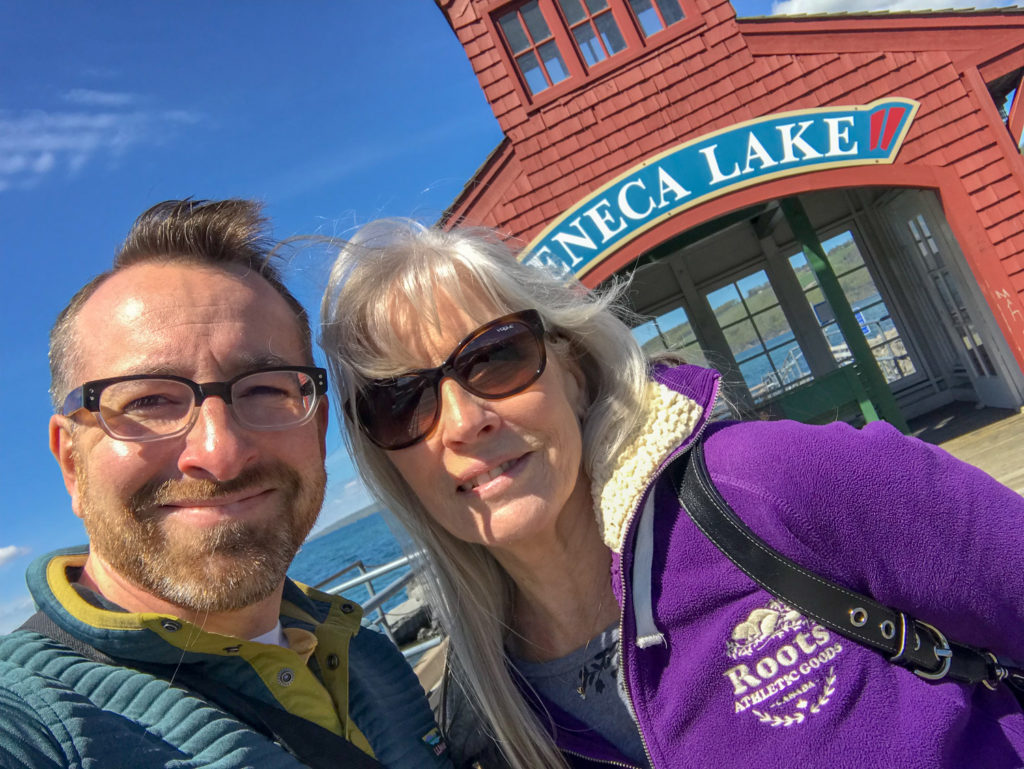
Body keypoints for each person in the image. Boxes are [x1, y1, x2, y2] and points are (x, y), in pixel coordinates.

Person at [319, 219, 1024, 769]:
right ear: (389, 461)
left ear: (570, 369)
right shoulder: (484, 716)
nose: (465, 420)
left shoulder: (767, 483)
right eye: (402, 402)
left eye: (496, 356)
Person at [0, 200, 452, 769]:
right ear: (71, 460)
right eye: (148, 401)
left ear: (316, 429)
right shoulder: (33, 722)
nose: (221, 453)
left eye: (264, 390)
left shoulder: (364, 651)